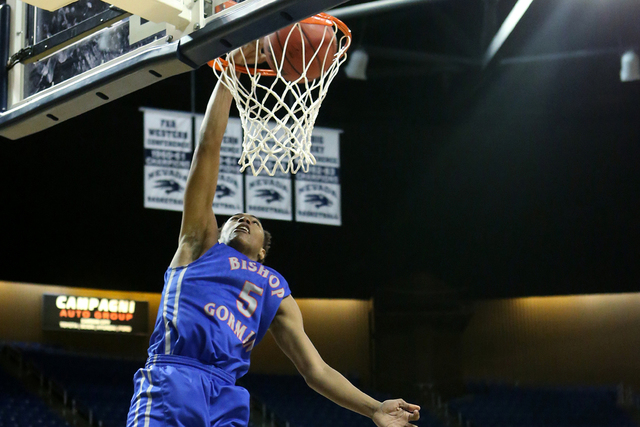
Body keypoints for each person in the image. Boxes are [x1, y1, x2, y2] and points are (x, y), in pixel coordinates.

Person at [126, 42, 421, 427]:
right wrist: (229, 77)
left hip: (227, 394)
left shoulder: (276, 290)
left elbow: (314, 369)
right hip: (174, 377)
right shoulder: (199, 243)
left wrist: (374, 408)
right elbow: (208, 149)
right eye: (234, 218)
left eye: (254, 221)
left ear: (263, 251)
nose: (243, 219)